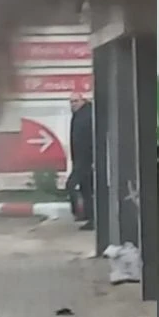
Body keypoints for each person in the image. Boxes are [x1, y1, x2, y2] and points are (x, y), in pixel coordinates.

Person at [67, 93, 94, 230]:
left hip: (85, 161)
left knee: (74, 186)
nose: (73, 104)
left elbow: (87, 140)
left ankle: (84, 215)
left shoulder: (86, 116)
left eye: (76, 101)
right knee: (85, 189)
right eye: (71, 102)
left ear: (83, 101)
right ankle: (86, 215)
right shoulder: (79, 116)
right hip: (80, 160)